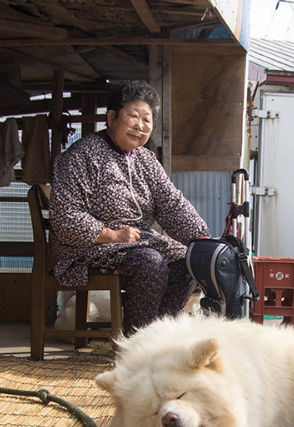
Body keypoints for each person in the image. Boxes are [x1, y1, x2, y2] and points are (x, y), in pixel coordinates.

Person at [50, 80, 209, 335]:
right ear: (112, 117)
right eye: (133, 116)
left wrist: (201, 239)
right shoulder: (81, 156)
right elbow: (65, 217)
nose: (140, 126)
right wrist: (112, 235)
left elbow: (171, 202)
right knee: (151, 263)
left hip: (136, 243)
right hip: (87, 247)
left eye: (147, 120)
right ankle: (135, 343)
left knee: (188, 260)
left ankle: (155, 335)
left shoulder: (146, 159)